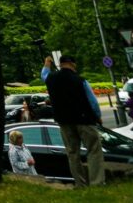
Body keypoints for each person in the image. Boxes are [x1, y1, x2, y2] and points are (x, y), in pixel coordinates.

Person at [42, 55, 104, 187]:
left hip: (64, 121)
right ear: (72, 64)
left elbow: (44, 75)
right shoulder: (80, 80)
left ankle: (80, 183)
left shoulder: (51, 79)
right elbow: (92, 102)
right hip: (84, 120)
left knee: (72, 153)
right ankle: (96, 182)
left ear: (60, 64)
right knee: (93, 150)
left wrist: (47, 63)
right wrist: (98, 117)